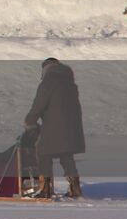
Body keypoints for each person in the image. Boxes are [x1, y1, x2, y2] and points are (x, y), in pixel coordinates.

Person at [23, 57, 85, 199]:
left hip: (54, 126)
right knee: (66, 154)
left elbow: (39, 105)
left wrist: (29, 121)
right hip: (71, 127)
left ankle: (45, 189)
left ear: (45, 68)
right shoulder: (69, 82)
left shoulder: (49, 81)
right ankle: (75, 189)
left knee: (43, 153)